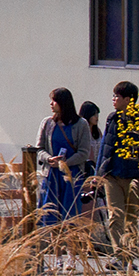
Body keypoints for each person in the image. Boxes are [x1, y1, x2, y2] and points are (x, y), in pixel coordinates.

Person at [97, 80, 139, 261]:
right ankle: (118, 255)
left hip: (136, 176)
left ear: (129, 100)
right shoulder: (112, 119)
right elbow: (104, 147)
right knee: (115, 216)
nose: (114, 99)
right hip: (112, 174)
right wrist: (98, 174)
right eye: (114, 95)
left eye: (118, 96)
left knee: (131, 218)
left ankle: (129, 257)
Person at [36, 87, 92, 225]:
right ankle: (53, 244)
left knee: (70, 214)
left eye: (54, 101)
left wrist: (66, 163)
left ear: (63, 103)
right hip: (51, 174)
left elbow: (84, 152)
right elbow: (39, 148)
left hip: (71, 175)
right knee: (50, 213)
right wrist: (49, 159)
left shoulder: (81, 124)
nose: (51, 104)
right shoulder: (47, 123)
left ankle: (69, 244)